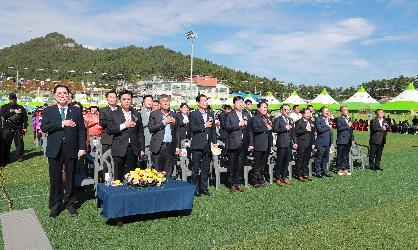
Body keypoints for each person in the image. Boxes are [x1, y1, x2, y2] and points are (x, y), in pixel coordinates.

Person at [40, 84, 86, 218]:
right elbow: (44, 127)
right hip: (55, 149)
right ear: (55, 95)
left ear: (68, 95)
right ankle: (55, 205)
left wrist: (82, 147)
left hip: (71, 148)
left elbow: (81, 131)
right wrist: (62, 123)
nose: (62, 95)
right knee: (55, 178)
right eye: (59, 93)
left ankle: (70, 203)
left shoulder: (76, 111)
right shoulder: (49, 110)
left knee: (70, 177)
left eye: (64, 93)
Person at [107, 90, 145, 180]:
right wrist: (124, 125)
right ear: (120, 100)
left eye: (128, 99)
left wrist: (142, 149)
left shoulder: (137, 114)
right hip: (119, 147)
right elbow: (109, 130)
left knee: (131, 175)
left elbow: (140, 132)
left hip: (133, 148)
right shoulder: (114, 114)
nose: (126, 101)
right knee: (118, 176)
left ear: (131, 100)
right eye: (124, 99)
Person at [189, 94, 217, 196]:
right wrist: (204, 125)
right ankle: (195, 188)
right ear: (198, 102)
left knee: (205, 168)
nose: (205, 103)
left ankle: (204, 188)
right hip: (197, 145)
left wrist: (214, 142)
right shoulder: (193, 114)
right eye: (203, 101)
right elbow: (192, 128)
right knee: (195, 169)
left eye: (206, 100)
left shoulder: (210, 113)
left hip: (208, 144)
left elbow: (213, 129)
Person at [148, 94, 180, 178]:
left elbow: (176, 132)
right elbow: (151, 129)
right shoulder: (154, 114)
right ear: (159, 103)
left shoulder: (174, 115)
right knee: (157, 172)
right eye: (163, 101)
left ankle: (168, 189)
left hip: (170, 147)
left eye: (167, 101)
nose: (166, 103)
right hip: (159, 146)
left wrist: (177, 146)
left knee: (168, 172)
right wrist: (164, 122)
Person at [225, 96, 249, 192]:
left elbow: (249, 128)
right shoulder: (229, 114)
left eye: (241, 102)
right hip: (233, 142)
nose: (240, 103)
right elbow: (227, 127)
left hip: (243, 143)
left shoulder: (245, 113)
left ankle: (238, 182)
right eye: (238, 102)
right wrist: (238, 124)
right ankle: (232, 184)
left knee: (240, 164)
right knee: (232, 164)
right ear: (234, 104)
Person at [248, 101, 272, 188]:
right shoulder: (254, 118)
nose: (265, 109)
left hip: (267, 144)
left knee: (263, 164)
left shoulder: (267, 118)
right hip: (258, 144)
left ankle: (261, 179)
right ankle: (254, 180)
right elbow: (255, 129)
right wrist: (266, 127)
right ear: (259, 108)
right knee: (257, 164)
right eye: (263, 107)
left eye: (266, 107)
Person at [273, 104, 297, 186]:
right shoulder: (278, 119)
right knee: (279, 161)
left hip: (289, 144)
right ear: (281, 110)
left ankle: (284, 177)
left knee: (286, 162)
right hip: (281, 143)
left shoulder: (290, 119)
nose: (287, 111)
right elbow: (275, 129)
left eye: (288, 109)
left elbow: (293, 132)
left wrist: (295, 142)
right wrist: (284, 128)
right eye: (285, 109)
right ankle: (277, 178)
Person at [0, 93, 28, 162]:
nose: (12, 100)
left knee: (19, 144)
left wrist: (25, 127)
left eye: (14, 99)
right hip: (7, 129)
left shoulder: (21, 107)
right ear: (9, 99)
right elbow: (3, 115)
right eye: (11, 99)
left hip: (18, 129)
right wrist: (14, 111)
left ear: (16, 99)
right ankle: (6, 157)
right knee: (6, 144)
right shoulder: (4, 107)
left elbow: (25, 118)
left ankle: (20, 156)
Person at [294, 108, 315, 182]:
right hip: (302, 143)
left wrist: (313, 143)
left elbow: (312, 134)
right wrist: (305, 130)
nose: (308, 114)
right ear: (303, 114)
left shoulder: (311, 122)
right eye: (307, 113)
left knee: (306, 159)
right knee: (300, 159)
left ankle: (305, 174)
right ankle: (299, 175)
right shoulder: (299, 122)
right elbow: (296, 133)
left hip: (309, 143)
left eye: (309, 113)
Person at [314, 107, 333, 178]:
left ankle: (325, 171)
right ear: (321, 113)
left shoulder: (328, 120)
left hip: (328, 142)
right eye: (326, 111)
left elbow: (331, 132)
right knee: (319, 157)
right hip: (321, 142)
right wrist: (328, 127)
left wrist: (331, 141)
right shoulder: (318, 119)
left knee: (326, 158)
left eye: (328, 111)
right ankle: (318, 172)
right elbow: (320, 130)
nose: (327, 113)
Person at [336, 106, 354, 176]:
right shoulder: (339, 119)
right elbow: (339, 128)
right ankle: (339, 169)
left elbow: (351, 131)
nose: (347, 111)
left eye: (347, 109)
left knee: (346, 155)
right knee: (340, 155)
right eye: (345, 110)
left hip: (348, 140)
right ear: (341, 111)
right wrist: (348, 125)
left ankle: (345, 168)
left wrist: (352, 139)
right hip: (341, 140)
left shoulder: (349, 119)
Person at [140, 95, 153, 168]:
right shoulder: (140, 113)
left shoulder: (155, 113)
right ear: (144, 102)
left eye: (151, 100)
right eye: (147, 100)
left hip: (154, 141)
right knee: (145, 162)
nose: (149, 102)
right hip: (145, 141)